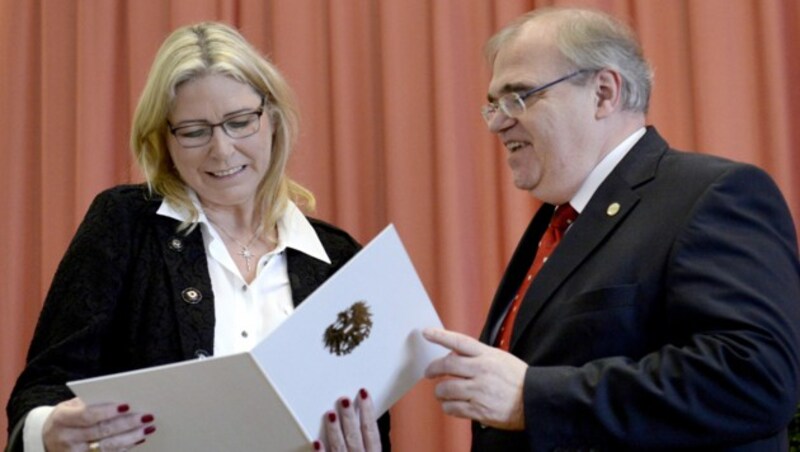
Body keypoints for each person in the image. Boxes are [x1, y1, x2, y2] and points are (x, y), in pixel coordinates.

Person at [423, 7, 800, 451]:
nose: (498, 123)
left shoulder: (712, 195)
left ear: (603, 93)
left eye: (519, 97)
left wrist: (535, 397)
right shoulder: (557, 222)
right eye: (493, 105)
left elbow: (754, 377)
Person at [6, 22, 388, 452]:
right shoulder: (125, 225)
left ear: (274, 119)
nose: (222, 150)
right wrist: (49, 430)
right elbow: (41, 390)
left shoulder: (337, 259)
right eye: (194, 132)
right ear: (163, 139)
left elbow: (373, 423)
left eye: (240, 122)